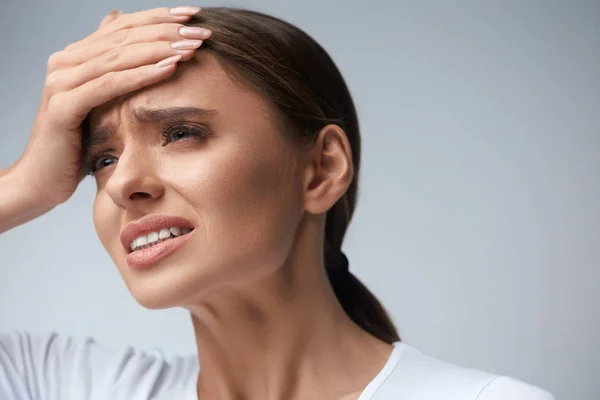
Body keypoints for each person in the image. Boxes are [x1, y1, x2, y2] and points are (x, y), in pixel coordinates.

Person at [0, 6, 554, 400]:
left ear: (322, 168)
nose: (122, 185)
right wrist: (26, 184)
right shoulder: (55, 384)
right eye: (103, 160)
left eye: (182, 133)